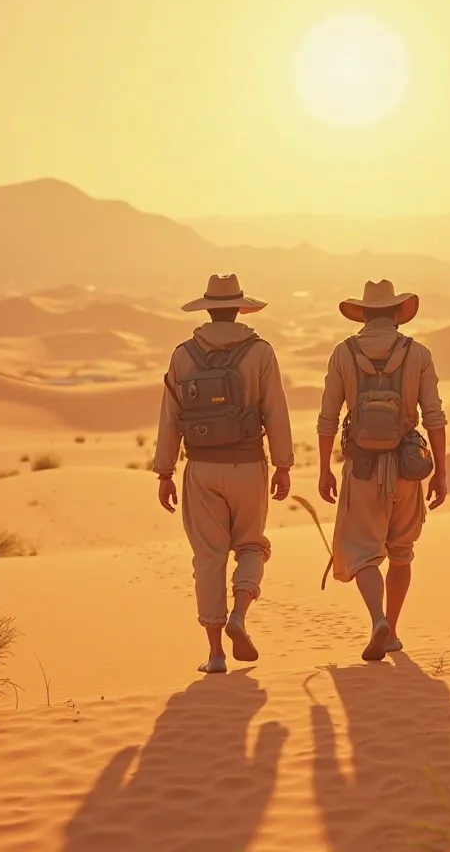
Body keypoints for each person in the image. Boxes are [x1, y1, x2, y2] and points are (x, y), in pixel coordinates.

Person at [153, 273, 294, 674]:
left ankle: (215, 654)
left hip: (201, 469)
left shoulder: (183, 355)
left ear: (207, 309)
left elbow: (170, 418)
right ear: (239, 308)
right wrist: (283, 464)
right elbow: (276, 411)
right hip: (249, 465)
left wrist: (164, 472)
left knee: (209, 558)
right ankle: (240, 613)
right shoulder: (260, 352)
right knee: (251, 546)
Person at [316, 279, 447, 661]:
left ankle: (377, 619)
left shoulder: (343, 354)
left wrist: (324, 469)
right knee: (401, 552)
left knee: (363, 554)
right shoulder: (418, 354)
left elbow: (327, 418)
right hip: (407, 469)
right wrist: (440, 472)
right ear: (396, 314)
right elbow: (435, 417)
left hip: (361, 470)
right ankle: (392, 629)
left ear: (364, 314)